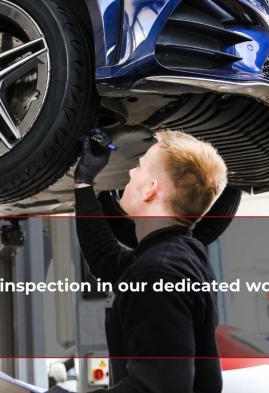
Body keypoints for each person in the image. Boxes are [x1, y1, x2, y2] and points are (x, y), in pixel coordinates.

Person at [65, 129, 228, 393]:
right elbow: (106, 260)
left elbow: (155, 388)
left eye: (139, 166)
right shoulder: (178, 255)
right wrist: (84, 183)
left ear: (151, 189)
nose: (130, 172)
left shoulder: (159, 273)